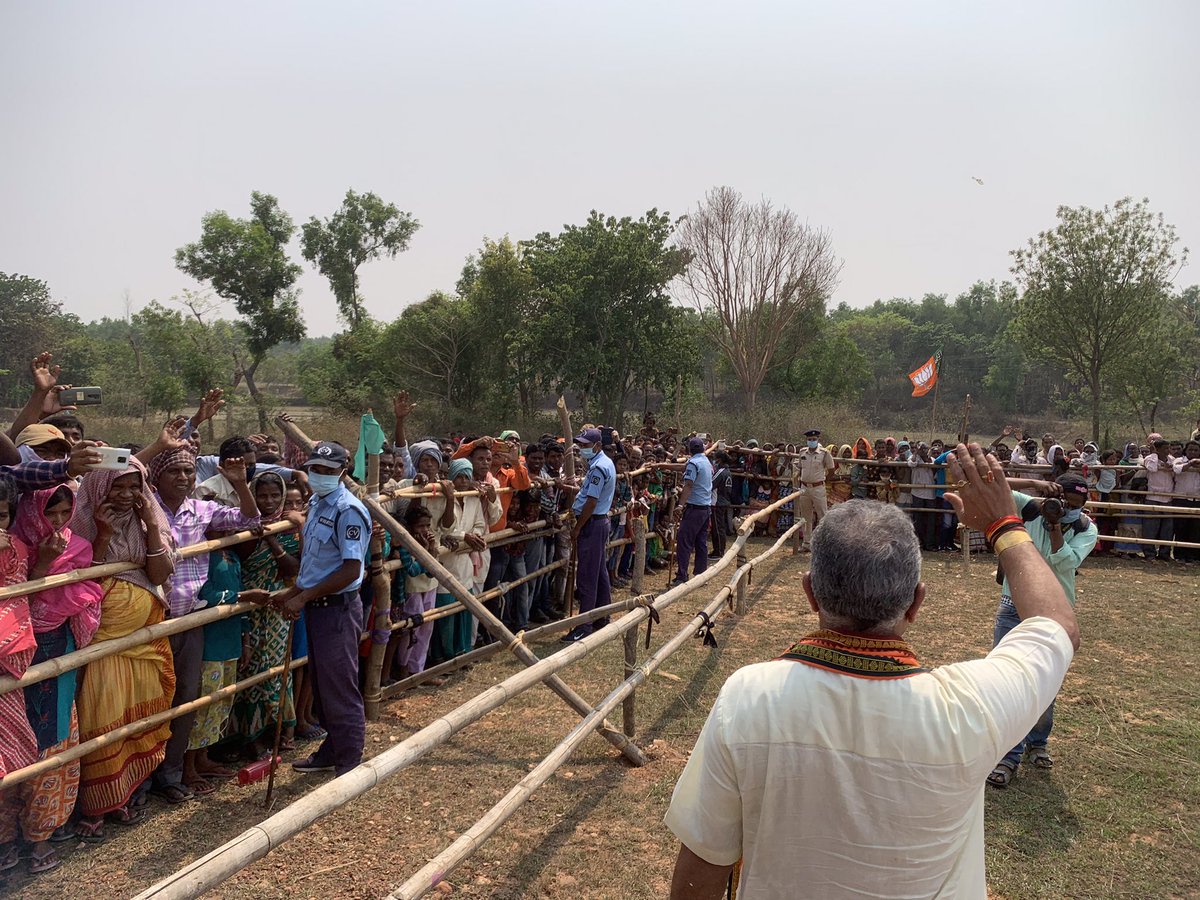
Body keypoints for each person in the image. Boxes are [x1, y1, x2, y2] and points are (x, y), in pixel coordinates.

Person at [665, 444, 1080, 899]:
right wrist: (1004, 525)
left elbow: (702, 866)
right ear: (917, 603)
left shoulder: (749, 697)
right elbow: (1057, 626)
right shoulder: (970, 707)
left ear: (810, 594)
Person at [70, 458, 176, 840]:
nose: (128, 495)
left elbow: (160, 575)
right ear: (99, 488)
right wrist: (102, 534)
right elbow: (78, 585)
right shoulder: (77, 521)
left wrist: (149, 520)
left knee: (139, 714)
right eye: (119, 487)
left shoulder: (151, 519)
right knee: (100, 717)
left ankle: (126, 795)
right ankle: (96, 805)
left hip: (143, 637)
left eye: (136, 487)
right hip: (103, 642)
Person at [148, 447, 260, 803]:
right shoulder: (146, 510)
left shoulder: (200, 509)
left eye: (188, 471)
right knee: (147, 700)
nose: (183, 477)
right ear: (157, 477)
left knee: (186, 698)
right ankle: (142, 779)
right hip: (151, 618)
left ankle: (171, 774)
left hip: (190, 619)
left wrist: (241, 485)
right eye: (174, 471)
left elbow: (249, 521)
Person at [3, 486, 103, 873]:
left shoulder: (76, 546)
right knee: (10, 742)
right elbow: (16, 601)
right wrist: (42, 565)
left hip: (56, 648)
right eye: (51, 513)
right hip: (12, 653)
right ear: (30, 513)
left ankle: (40, 834)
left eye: (65, 512)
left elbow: (82, 591)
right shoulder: (15, 547)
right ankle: (5, 837)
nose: (58, 522)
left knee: (53, 738)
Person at [986, 473, 1097, 787]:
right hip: (1013, 604)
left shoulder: (1085, 528)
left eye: (1076, 506)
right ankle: (1008, 756)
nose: (1067, 509)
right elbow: (996, 487)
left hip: (1054, 611)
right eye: (1064, 502)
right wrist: (1033, 487)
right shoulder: (1029, 508)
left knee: (1044, 685)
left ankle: (1038, 740)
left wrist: (1055, 527)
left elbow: (1066, 562)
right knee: (1007, 681)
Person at [276, 441, 371, 776]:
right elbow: (316, 561)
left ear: (343, 472)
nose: (320, 475)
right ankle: (334, 749)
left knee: (340, 684)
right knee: (322, 682)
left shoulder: (348, 510)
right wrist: (295, 591)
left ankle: (349, 760)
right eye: (316, 469)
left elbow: (349, 568)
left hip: (337, 609)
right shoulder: (318, 502)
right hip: (317, 604)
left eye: (329, 471)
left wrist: (302, 597)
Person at [227, 471, 305, 757]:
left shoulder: (287, 525)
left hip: (277, 606)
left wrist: (273, 538)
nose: (268, 501)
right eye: (262, 495)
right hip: (250, 605)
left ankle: (280, 728)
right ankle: (249, 736)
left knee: (276, 670)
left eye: (274, 495)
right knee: (251, 670)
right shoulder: (245, 527)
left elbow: (293, 568)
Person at [561, 428, 616, 643]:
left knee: (586, 576)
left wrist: (577, 528)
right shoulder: (604, 463)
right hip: (598, 522)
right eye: (581, 445)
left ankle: (584, 625)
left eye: (585, 445)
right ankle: (602, 615)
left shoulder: (598, 469)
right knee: (599, 571)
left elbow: (591, 502)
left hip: (591, 524)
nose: (582, 449)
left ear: (597, 446)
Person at [671, 437, 713, 586]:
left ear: (689, 450)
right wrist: (660, 465)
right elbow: (683, 468)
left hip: (694, 508)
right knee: (701, 542)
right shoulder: (706, 462)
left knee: (684, 541)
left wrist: (680, 505)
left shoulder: (693, 463)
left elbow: (688, 484)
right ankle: (701, 574)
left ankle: (682, 575)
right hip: (705, 507)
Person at [792, 429, 835, 553]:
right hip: (804, 488)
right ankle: (807, 543)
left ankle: (825, 544)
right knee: (806, 517)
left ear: (818, 440)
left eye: (814, 439)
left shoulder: (824, 453)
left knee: (822, 516)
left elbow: (831, 470)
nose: (812, 441)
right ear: (807, 440)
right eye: (809, 439)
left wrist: (824, 481)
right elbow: (799, 468)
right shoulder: (802, 452)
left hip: (818, 488)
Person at [1142, 435, 1175, 561]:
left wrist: (1168, 465)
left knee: (1167, 528)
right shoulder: (1150, 458)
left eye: (1168, 448)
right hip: (1153, 496)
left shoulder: (1172, 459)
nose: (1167, 451)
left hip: (1168, 497)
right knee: (1150, 527)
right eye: (1165, 448)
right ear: (1157, 449)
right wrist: (1160, 461)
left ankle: (1164, 553)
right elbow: (1152, 468)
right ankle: (1149, 554)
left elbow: (1176, 469)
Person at [1172, 440, 1200, 564]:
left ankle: (1193, 556)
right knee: (1180, 528)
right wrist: (1190, 464)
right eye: (1190, 450)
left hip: (1197, 499)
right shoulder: (1179, 460)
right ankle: (1180, 555)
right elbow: (1177, 470)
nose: (1193, 452)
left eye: (1196, 450)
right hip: (1181, 499)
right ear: (1185, 451)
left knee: (1195, 529)